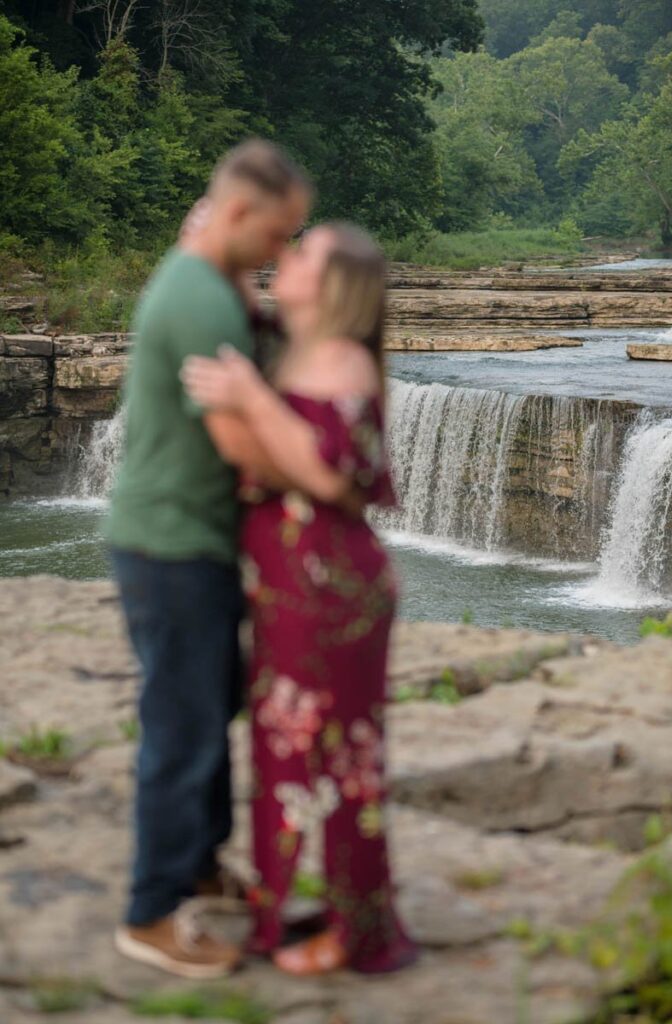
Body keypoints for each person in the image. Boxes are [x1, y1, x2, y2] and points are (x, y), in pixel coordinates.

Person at [182, 222, 419, 976]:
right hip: (290, 589)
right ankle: (290, 907)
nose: (286, 257)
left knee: (343, 762)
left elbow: (329, 480)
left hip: (333, 593)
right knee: (284, 752)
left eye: (304, 253)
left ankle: (359, 936)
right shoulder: (297, 349)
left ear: (334, 285)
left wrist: (251, 395)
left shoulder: (344, 360)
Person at [107, 140, 314, 979]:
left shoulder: (206, 281)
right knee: (183, 723)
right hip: (172, 543)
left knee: (210, 698)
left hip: (185, 539)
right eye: (276, 234)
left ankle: (198, 862)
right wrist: (326, 475)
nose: (281, 253)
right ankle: (150, 911)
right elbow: (243, 451)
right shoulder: (200, 303)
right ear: (235, 214)